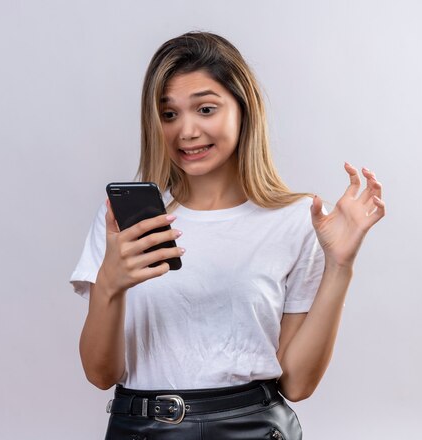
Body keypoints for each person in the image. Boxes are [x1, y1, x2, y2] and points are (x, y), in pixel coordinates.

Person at [71, 31, 385, 440]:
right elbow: (100, 374)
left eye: (205, 109)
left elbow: (297, 384)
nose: (186, 131)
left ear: (243, 108)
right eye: (168, 114)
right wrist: (110, 284)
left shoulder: (296, 219)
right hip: (142, 429)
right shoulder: (122, 222)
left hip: (255, 428)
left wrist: (339, 266)